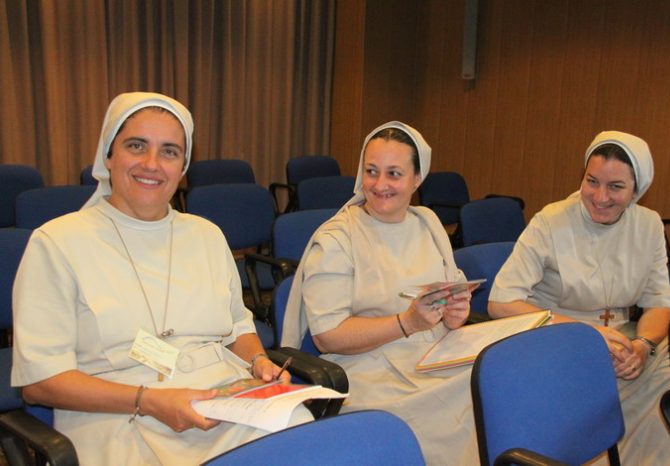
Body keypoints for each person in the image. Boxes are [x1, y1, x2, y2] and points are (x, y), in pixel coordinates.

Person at [11, 92, 312, 465]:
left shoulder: (206, 235)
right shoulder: (57, 243)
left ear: (183, 168)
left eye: (169, 151)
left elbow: (238, 326)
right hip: (118, 414)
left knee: (302, 434)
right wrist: (149, 401)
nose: (151, 164)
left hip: (219, 400)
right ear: (108, 155)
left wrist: (258, 362)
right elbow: (38, 383)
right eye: (136, 146)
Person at [282, 121, 479, 465]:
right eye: (371, 172)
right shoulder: (338, 238)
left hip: (434, 355)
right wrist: (407, 323)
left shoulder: (428, 223)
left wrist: (455, 313)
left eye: (394, 174)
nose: (379, 184)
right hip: (366, 369)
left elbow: (452, 289)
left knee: (487, 391)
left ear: (417, 178)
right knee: (432, 423)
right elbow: (327, 335)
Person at [489, 130, 670, 465]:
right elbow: (500, 302)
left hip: (623, 341)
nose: (599, 196)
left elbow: (659, 302)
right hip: (558, 337)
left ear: (637, 190)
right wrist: (584, 333)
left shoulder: (649, 225)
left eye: (615, 186)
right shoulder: (550, 221)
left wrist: (643, 346)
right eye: (592, 181)